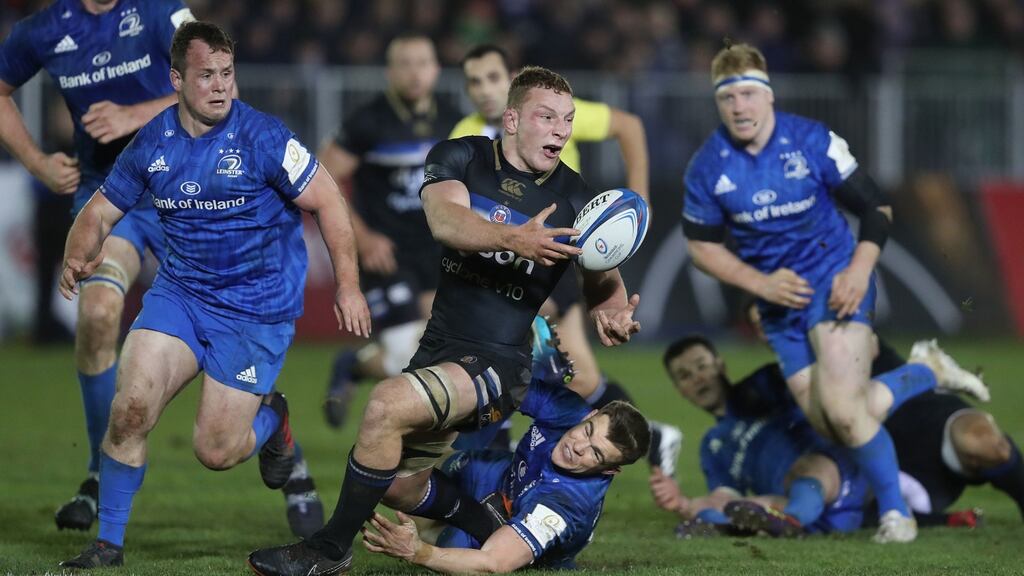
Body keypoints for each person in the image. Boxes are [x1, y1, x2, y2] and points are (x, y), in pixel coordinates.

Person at [247, 65, 642, 576]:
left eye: (567, 119)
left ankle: (327, 551)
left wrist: (612, 311)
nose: (562, 131)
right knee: (396, 483)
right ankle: (489, 526)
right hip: (440, 345)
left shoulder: (576, 200)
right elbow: (445, 220)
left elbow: (603, 282)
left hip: (501, 361)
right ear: (513, 118)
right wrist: (512, 237)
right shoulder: (462, 156)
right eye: (547, 118)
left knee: (385, 404)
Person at [57, 21, 371, 568]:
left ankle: (273, 419)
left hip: (256, 309)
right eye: (207, 75)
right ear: (176, 78)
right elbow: (102, 209)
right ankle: (107, 544)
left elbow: (329, 200)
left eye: (228, 73)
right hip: (181, 294)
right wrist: (76, 253)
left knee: (216, 452)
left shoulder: (264, 137)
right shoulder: (153, 141)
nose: (222, 86)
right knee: (130, 410)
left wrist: (347, 285)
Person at [683, 42, 925, 542]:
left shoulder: (812, 141)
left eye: (749, 94)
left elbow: (876, 208)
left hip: (835, 283)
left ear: (769, 96)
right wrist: (759, 285)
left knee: (842, 412)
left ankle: (897, 515)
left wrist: (859, 269)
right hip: (778, 306)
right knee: (834, 421)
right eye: (728, 98)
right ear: (718, 103)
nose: (739, 107)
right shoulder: (708, 167)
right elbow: (700, 248)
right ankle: (925, 372)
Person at [0, 0, 191, 530]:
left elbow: (220, 85)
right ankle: (100, 470)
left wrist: (133, 116)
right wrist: (37, 162)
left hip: (189, 190)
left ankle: (276, 435)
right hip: (111, 195)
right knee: (99, 315)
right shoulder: (45, 28)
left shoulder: (160, 12)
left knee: (222, 344)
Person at [650, 334, 989, 537]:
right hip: (811, 512)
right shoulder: (713, 446)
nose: (697, 378)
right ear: (678, 389)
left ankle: (926, 371)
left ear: (720, 365)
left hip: (841, 471)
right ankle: (776, 520)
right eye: (684, 375)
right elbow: (725, 495)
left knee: (811, 464)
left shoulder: (764, 383)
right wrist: (685, 503)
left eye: (701, 365)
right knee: (721, 508)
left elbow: (824, 393)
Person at [744, 303, 1024, 523]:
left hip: (929, 419)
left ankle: (929, 371)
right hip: (899, 470)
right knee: (853, 508)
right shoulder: (783, 380)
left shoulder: (836, 332)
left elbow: (867, 345)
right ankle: (939, 521)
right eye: (758, 326)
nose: (766, 329)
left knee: (984, 444)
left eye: (769, 316)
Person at [320, 34, 462, 429]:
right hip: (385, 252)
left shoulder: (452, 119)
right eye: (405, 64)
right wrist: (362, 237)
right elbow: (323, 179)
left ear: (435, 70)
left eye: (422, 63)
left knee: (440, 351)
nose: (415, 73)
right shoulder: (368, 121)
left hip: (437, 250)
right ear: (390, 71)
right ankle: (399, 435)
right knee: (405, 354)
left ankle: (357, 366)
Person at [361, 381, 650, 572]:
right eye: (587, 431)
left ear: (609, 470)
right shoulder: (569, 409)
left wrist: (418, 552)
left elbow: (493, 562)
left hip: (518, 519)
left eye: (595, 454)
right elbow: (507, 384)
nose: (577, 447)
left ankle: (431, 530)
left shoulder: (566, 505)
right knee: (449, 467)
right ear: (590, 415)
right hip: (499, 477)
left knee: (454, 544)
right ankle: (430, 518)